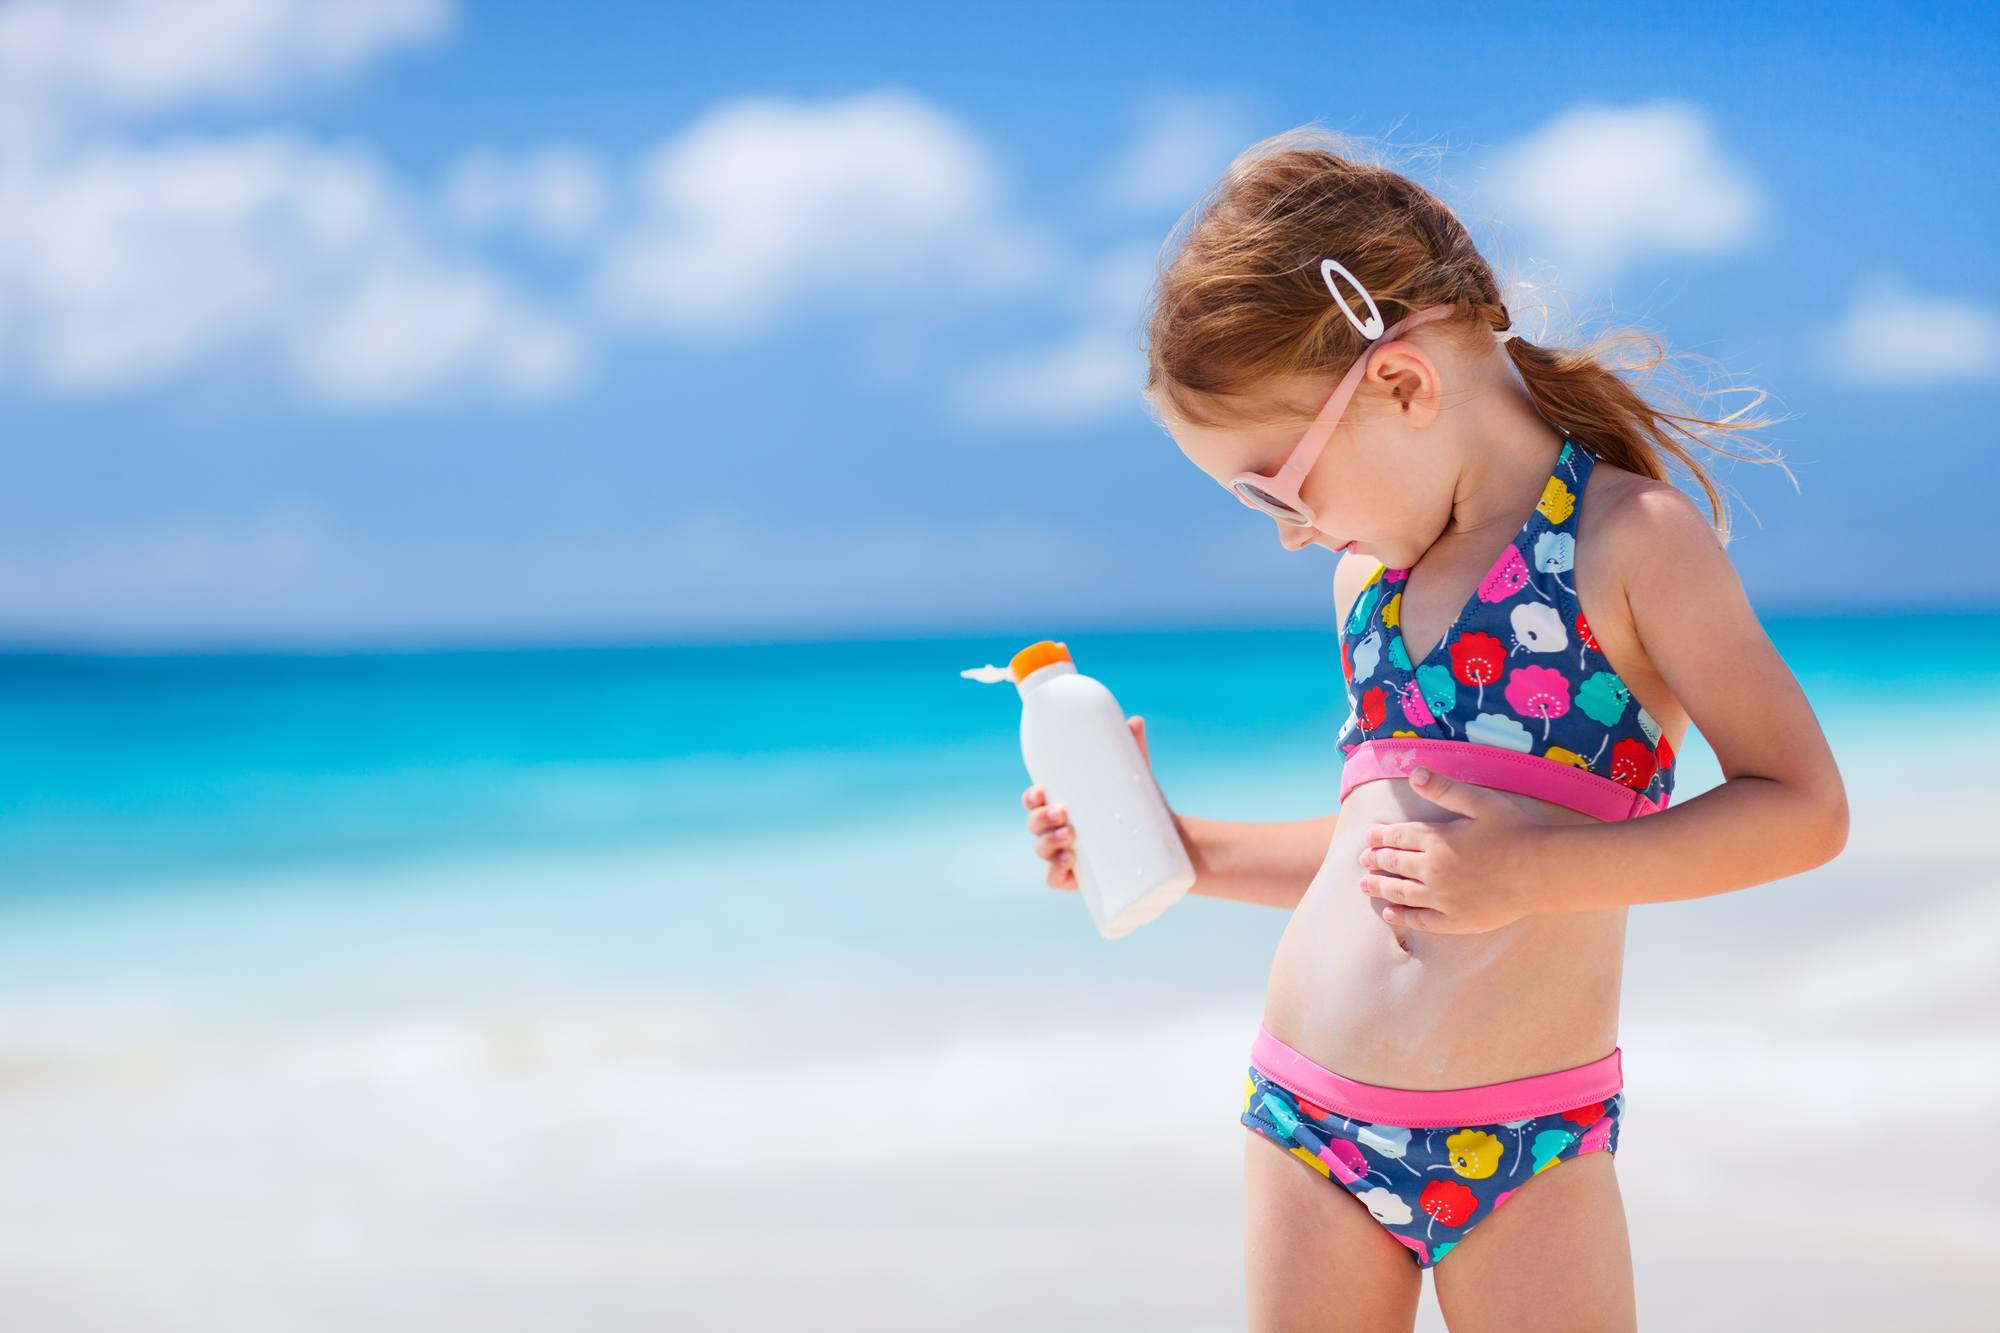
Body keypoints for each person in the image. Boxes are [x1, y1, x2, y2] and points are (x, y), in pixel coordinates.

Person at [1020, 128, 1848, 1333]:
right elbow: (1387, 856)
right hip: (1306, 1121)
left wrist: (1528, 871)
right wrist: (1178, 848)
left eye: (1272, 485)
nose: (1286, 532)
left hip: (1523, 1140)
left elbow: (1800, 806)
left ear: (1402, 386)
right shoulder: (1370, 584)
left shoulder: (1626, 545)